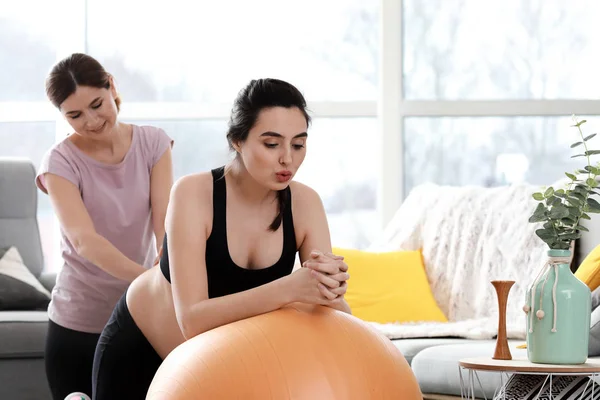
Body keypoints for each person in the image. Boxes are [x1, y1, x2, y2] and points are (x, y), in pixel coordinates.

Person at [91, 78, 351, 399]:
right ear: (237, 141)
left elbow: (331, 313)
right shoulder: (193, 193)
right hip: (140, 350)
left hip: (219, 362)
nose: (288, 159)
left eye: (298, 144)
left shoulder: (306, 203)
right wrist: (291, 288)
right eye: (272, 144)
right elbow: (192, 322)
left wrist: (332, 290)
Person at [36, 53, 174, 400]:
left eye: (97, 104)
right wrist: (148, 280)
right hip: (77, 325)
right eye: (75, 115)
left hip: (138, 319)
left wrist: (166, 273)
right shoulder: (60, 161)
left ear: (111, 85)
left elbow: (164, 223)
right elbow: (84, 241)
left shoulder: (153, 143)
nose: (92, 121)